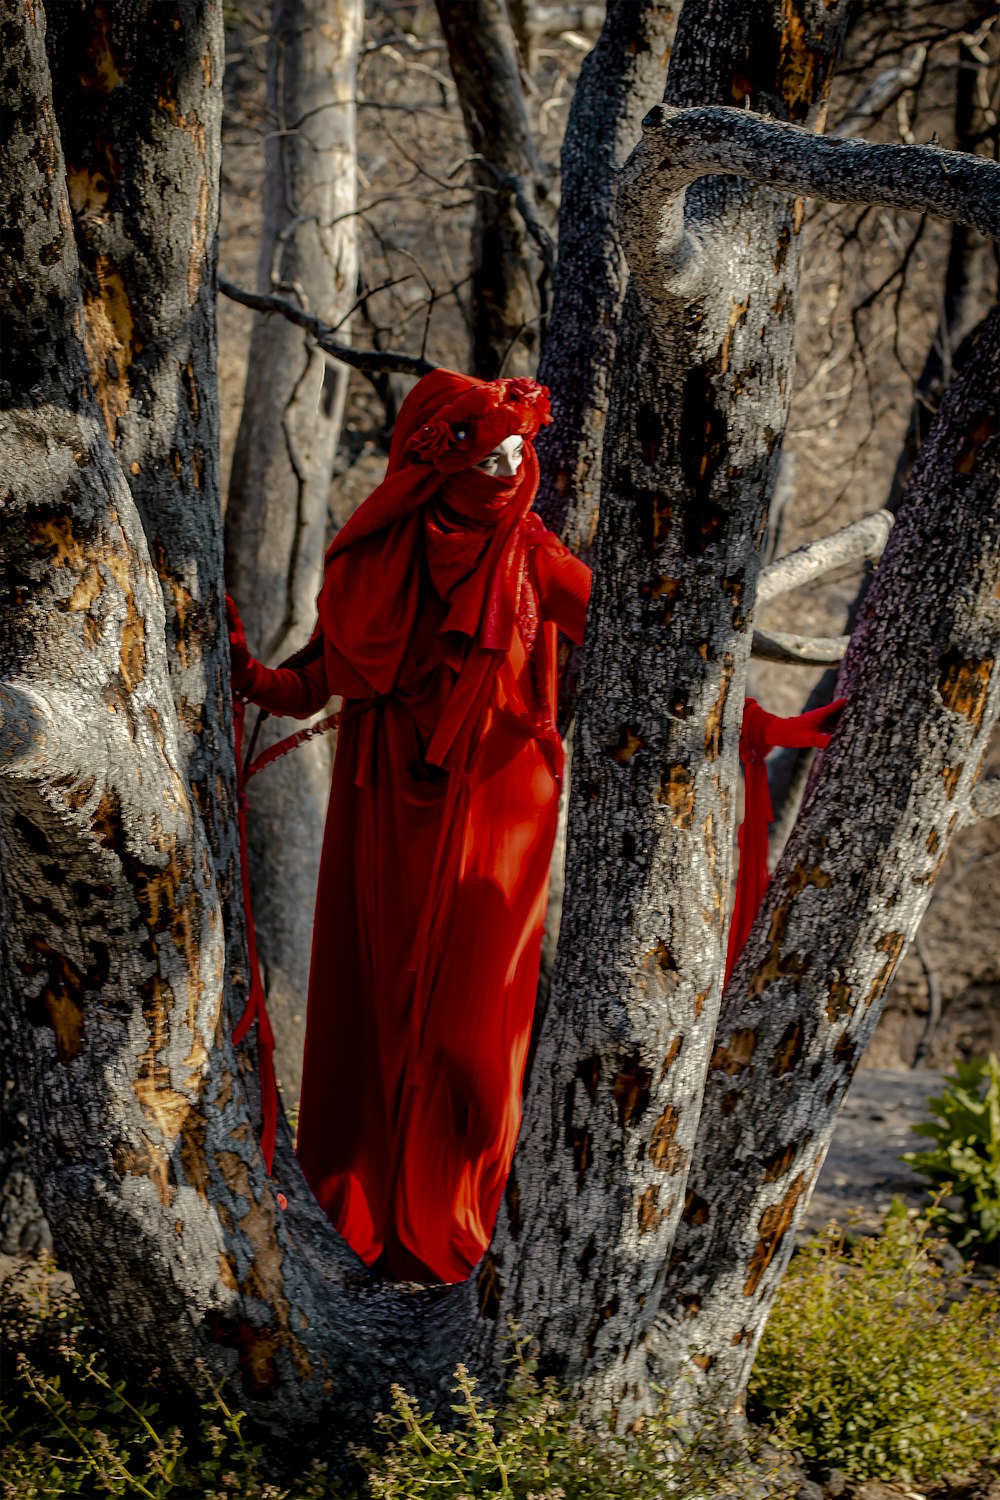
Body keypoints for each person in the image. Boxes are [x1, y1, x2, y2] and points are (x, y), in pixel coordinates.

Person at [227, 368, 591, 1285]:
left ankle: (461, 1225)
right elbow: (312, 681)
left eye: (519, 453)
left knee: (472, 1045)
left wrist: (762, 725)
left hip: (499, 805)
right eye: (489, 455)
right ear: (440, 463)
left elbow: (646, 633)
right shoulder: (379, 550)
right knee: (374, 1011)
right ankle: (368, 1222)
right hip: (384, 795)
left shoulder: (530, 551)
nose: (509, 470)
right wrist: (241, 670)